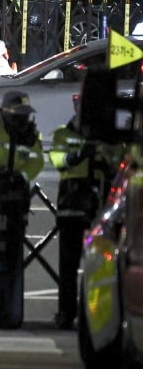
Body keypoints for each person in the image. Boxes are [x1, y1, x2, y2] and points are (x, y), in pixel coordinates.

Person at [49, 97, 118, 330]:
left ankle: (96, 317)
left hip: (100, 212)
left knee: (101, 268)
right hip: (72, 207)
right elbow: (60, 161)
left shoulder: (108, 137)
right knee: (68, 266)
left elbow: (120, 165)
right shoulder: (63, 134)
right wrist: (81, 153)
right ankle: (66, 313)